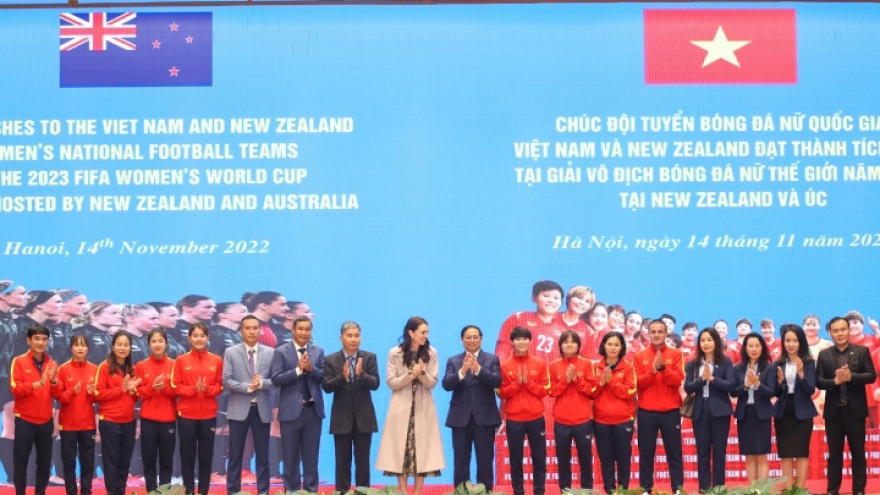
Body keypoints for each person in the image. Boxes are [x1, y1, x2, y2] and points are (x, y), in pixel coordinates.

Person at [376, 316, 445, 495]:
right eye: (422, 332)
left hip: (423, 408)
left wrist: (421, 374)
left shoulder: (431, 353)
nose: (425, 335)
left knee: (422, 451)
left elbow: (432, 383)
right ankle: (404, 491)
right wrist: (411, 375)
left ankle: (418, 492)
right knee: (402, 451)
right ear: (411, 333)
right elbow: (392, 383)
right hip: (401, 407)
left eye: (427, 332)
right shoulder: (395, 353)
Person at [816, 316, 876, 495]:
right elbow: (819, 382)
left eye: (843, 329)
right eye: (836, 330)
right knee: (834, 454)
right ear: (830, 333)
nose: (840, 333)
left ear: (848, 330)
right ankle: (832, 490)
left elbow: (871, 376)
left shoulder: (862, 351)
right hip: (833, 412)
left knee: (858, 453)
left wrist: (852, 377)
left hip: (855, 411)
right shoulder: (824, 355)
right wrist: (835, 381)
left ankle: (859, 490)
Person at [441, 325, 501, 491]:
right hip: (460, 419)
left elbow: (497, 381)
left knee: (485, 462)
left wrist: (478, 369)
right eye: (468, 337)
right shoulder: (454, 361)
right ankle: (461, 492)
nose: (472, 340)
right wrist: (463, 371)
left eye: (475, 337)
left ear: (481, 339)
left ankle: (486, 492)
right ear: (462, 340)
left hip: (485, 419)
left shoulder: (492, 359)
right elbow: (446, 384)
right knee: (460, 462)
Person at [323, 321, 380, 493]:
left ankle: (363, 492)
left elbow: (375, 384)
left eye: (357, 335)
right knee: (342, 462)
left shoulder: (369, 357)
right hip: (342, 419)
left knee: (363, 463)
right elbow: (326, 386)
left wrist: (361, 375)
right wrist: (342, 377)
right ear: (341, 338)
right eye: (350, 336)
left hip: (364, 418)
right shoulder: (331, 360)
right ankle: (342, 492)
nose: (354, 339)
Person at [270, 317, 325, 493]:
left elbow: (325, 378)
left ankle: (311, 491)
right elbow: (276, 379)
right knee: (290, 458)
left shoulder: (318, 351)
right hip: (290, 412)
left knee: (311, 458)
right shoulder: (281, 351)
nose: (304, 333)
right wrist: (298, 370)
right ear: (292, 330)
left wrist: (311, 369)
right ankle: (292, 491)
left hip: (313, 412)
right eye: (300, 329)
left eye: (307, 329)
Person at [223, 315, 276, 495]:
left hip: (262, 410)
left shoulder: (270, 352)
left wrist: (262, 384)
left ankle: (263, 492)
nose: (252, 331)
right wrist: (247, 387)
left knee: (263, 456)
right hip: (239, 410)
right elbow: (226, 381)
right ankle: (233, 491)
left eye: (255, 328)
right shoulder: (231, 352)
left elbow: (276, 381)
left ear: (260, 330)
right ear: (241, 330)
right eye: (248, 328)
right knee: (235, 455)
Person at [171, 323, 223, 495]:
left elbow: (220, 387)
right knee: (187, 457)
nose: (199, 339)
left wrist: (207, 390)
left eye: (202, 335)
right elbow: (175, 386)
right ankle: (189, 491)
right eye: (195, 335)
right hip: (186, 415)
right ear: (189, 338)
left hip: (208, 415)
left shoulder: (216, 360)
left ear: (208, 338)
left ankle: (203, 491)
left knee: (206, 458)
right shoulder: (181, 360)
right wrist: (193, 390)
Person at [634, 319, 684, 495]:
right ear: (648, 333)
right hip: (646, 412)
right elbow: (637, 384)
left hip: (670, 411)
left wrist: (664, 369)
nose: (656, 335)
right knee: (646, 453)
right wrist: (652, 372)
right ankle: (646, 489)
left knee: (674, 453)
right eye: (653, 332)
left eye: (660, 332)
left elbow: (677, 380)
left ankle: (677, 489)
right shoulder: (639, 356)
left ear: (666, 333)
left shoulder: (676, 354)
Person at [498, 326, 548, 495]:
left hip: (536, 418)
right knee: (516, 458)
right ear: (512, 342)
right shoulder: (504, 365)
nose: (521, 342)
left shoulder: (539, 364)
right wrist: (517, 384)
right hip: (514, 419)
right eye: (518, 339)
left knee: (539, 457)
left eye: (524, 338)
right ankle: (518, 491)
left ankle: (539, 491)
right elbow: (502, 393)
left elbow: (545, 391)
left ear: (529, 341)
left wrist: (528, 384)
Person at [684, 328, 734, 491]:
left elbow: (731, 385)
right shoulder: (693, 363)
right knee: (703, 452)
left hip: (720, 411)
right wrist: (701, 379)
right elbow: (688, 386)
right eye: (703, 340)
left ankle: (719, 489)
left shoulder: (726, 362)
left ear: (716, 342)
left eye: (709, 340)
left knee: (719, 452)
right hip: (700, 410)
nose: (706, 343)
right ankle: (704, 489)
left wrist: (712, 379)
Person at [10, 324, 57, 495]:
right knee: (21, 461)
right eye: (36, 338)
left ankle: (40, 493)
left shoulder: (52, 363)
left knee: (44, 463)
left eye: (44, 339)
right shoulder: (19, 361)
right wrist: (37, 384)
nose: (40, 342)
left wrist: (52, 383)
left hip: (45, 421)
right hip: (25, 420)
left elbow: (56, 393)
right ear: (28, 340)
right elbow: (16, 389)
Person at [548, 330, 597, 492]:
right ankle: (565, 490)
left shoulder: (586, 364)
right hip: (561, 421)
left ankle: (587, 489)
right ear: (560, 345)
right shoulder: (554, 366)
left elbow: (592, 391)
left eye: (573, 342)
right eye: (565, 342)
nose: (569, 345)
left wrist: (576, 380)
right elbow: (551, 391)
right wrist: (565, 381)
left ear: (578, 345)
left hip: (583, 420)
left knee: (585, 458)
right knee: (563, 459)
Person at [771, 323, 817, 490]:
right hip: (783, 412)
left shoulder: (809, 362)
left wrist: (801, 373)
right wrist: (780, 382)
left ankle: (800, 490)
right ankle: (789, 489)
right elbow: (775, 392)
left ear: (801, 342)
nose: (791, 344)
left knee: (801, 453)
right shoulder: (778, 363)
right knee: (786, 454)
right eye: (787, 340)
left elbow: (810, 390)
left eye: (794, 340)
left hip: (803, 413)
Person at [94, 331, 140, 495]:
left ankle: (121, 491)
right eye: (119, 344)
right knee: (111, 462)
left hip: (128, 421)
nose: (122, 348)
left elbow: (132, 398)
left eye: (126, 345)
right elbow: (98, 394)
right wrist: (121, 389)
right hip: (110, 421)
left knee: (124, 462)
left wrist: (134, 391)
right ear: (113, 346)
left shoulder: (131, 368)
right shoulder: (104, 367)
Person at [52, 334, 98, 495]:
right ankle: (71, 491)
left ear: (88, 348)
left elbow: (97, 397)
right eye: (77, 345)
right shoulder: (63, 369)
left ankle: (86, 491)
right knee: (68, 461)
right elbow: (59, 397)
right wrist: (72, 392)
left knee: (88, 461)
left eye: (83, 345)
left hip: (88, 423)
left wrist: (93, 394)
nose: (80, 348)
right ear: (71, 347)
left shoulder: (94, 369)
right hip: (68, 423)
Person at [592, 331, 636, 495]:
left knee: (623, 458)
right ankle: (609, 490)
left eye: (616, 344)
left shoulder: (628, 367)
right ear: (603, 345)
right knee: (606, 459)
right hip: (601, 421)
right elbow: (591, 393)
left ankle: (623, 490)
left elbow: (630, 391)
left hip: (623, 420)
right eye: (609, 344)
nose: (613, 348)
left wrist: (611, 383)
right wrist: (601, 383)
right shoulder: (595, 367)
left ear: (622, 347)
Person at [134, 328, 177, 493]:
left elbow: (178, 392)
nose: (157, 344)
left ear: (166, 343)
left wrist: (164, 388)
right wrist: (152, 388)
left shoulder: (175, 365)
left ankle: (164, 490)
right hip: (148, 420)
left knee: (166, 460)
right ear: (148, 344)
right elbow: (138, 393)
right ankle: (151, 490)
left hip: (168, 419)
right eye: (154, 341)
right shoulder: (141, 365)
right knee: (149, 459)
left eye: (160, 341)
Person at [730, 332, 774, 482]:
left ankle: (762, 490)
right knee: (749, 456)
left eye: (757, 345)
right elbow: (733, 391)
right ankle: (752, 489)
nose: (754, 349)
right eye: (750, 346)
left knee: (761, 456)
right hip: (745, 415)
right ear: (745, 348)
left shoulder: (769, 368)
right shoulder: (738, 369)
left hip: (762, 415)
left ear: (762, 348)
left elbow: (771, 392)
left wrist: (757, 384)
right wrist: (746, 385)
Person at [495, 280, 565, 363]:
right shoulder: (518, 318)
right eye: (546, 296)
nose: (551, 300)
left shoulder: (565, 328)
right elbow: (503, 347)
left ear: (561, 303)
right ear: (534, 298)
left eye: (556, 298)